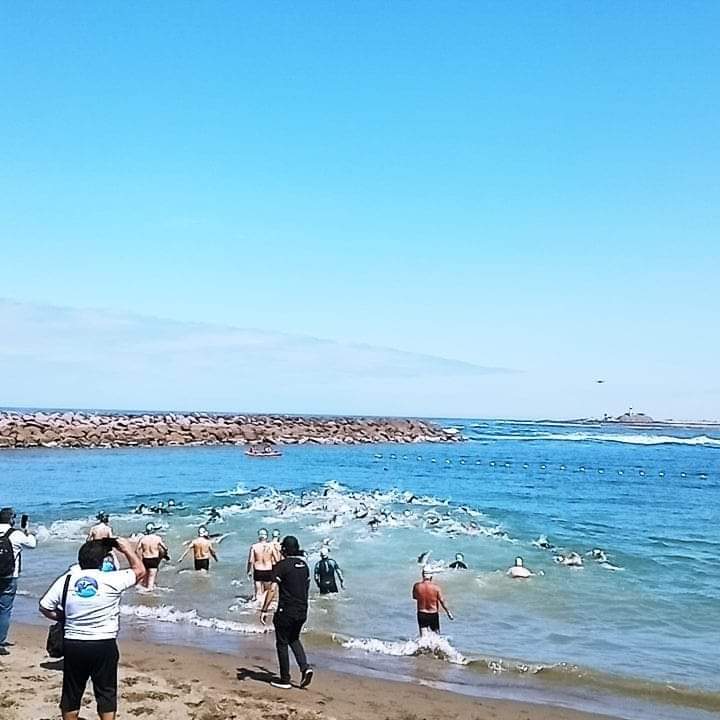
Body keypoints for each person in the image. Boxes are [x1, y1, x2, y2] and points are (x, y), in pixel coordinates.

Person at [39, 538, 145, 720]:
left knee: (72, 691)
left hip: (74, 643)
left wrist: (64, 617)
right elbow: (140, 571)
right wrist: (127, 549)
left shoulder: (67, 579)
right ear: (103, 561)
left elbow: (44, 607)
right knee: (106, 690)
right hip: (104, 643)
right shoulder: (112, 579)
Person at [260, 536, 313, 690]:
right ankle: (305, 668)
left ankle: (285, 679)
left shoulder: (281, 566)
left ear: (284, 549)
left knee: (282, 643)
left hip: (286, 610)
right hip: (302, 609)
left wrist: (264, 609)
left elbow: (272, 589)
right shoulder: (304, 566)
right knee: (294, 639)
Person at [0, 507, 37, 654]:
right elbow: (32, 544)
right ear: (11, 519)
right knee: (4, 609)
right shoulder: (15, 534)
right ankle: (0, 642)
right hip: (9, 575)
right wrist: (27, 530)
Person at [412, 568, 453, 636]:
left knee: (423, 637)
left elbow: (415, 597)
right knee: (436, 636)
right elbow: (442, 601)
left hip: (422, 613)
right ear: (431, 576)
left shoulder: (417, 586)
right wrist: (448, 612)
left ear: (422, 575)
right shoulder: (436, 588)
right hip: (433, 613)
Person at [135, 523, 169, 591]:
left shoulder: (143, 539)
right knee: (151, 579)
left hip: (145, 559)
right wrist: (163, 555)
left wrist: (139, 558)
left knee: (146, 577)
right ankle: (148, 596)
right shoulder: (157, 538)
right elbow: (165, 548)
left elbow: (137, 550)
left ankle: (141, 590)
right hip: (154, 559)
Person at [247, 528, 276, 602]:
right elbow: (276, 559)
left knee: (258, 593)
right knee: (267, 591)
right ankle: (265, 608)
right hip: (268, 570)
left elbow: (250, 560)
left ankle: (256, 607)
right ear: (267, 536)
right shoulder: (271, 546)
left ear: (259, 536)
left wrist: (248, 571)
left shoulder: (254, 547)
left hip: (258, 570)